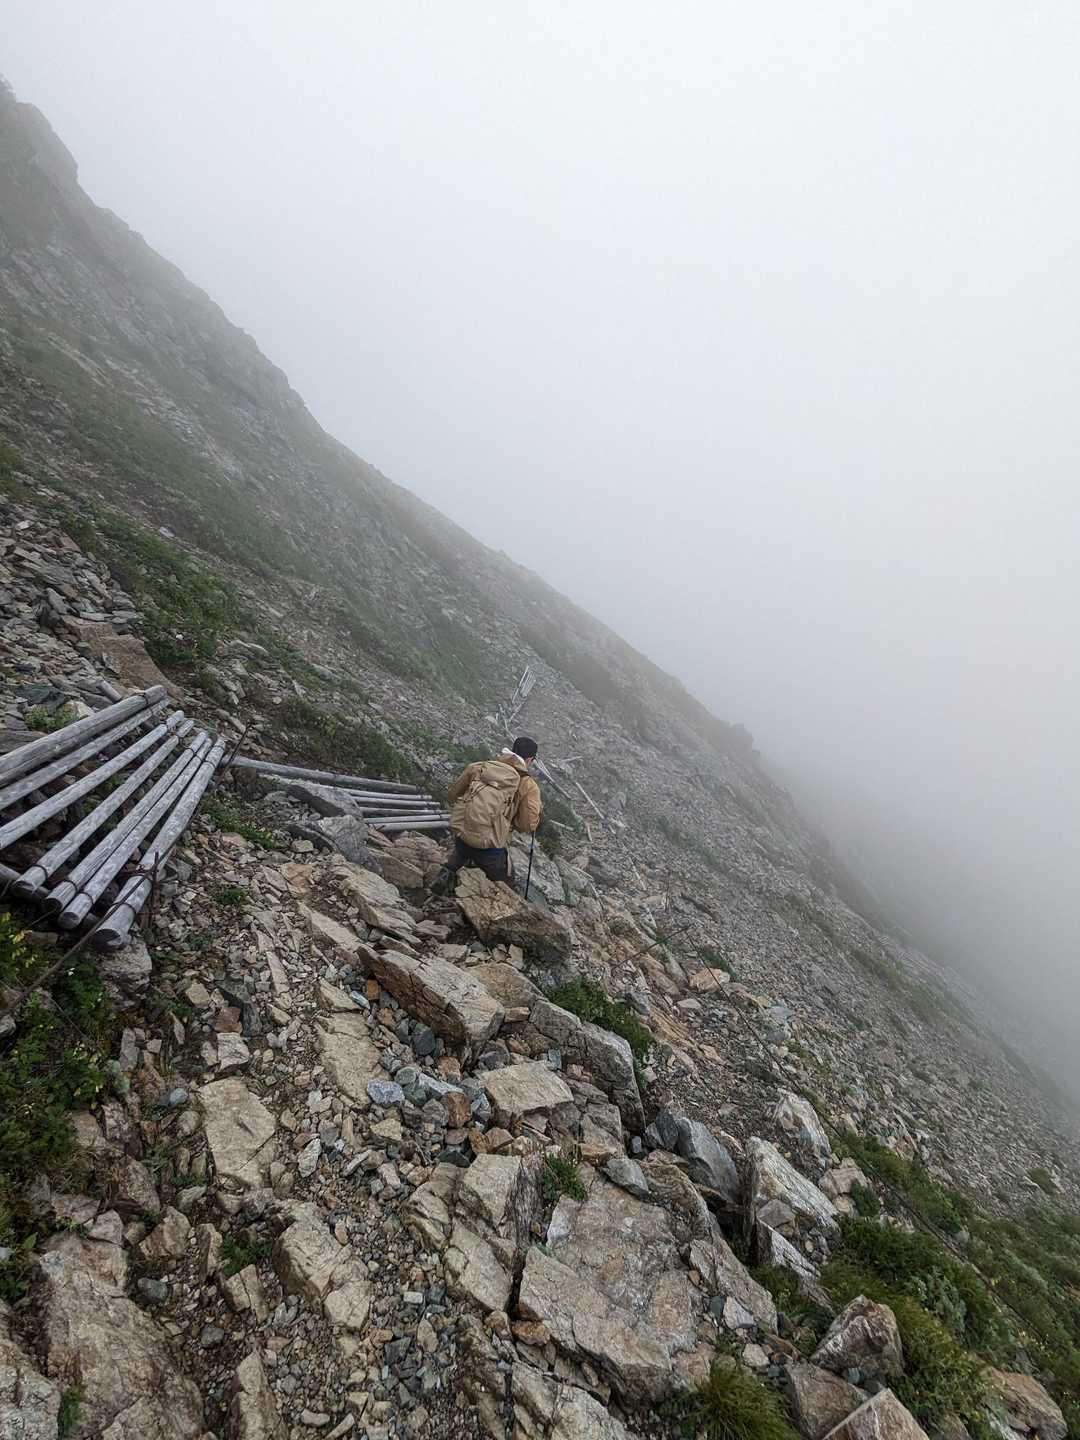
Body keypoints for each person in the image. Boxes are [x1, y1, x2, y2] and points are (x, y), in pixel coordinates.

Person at [441, 736, 542, 887]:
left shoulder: (480, 767)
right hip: (490, 849)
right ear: (530, 760)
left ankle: (442, 879)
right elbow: (526, 825)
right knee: (506, 883)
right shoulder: (528, 785)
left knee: (459, 856)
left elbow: (452, 794)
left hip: (462, 836)